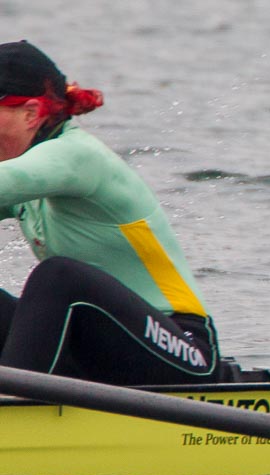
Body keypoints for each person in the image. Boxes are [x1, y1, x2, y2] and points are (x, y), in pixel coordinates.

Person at [0, 41, 228, 384]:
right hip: (95, 354)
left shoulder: (75, 156)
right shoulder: (31, 171)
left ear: (31, 113)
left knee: (57, 275)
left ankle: (12, 413)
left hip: (184, 350)